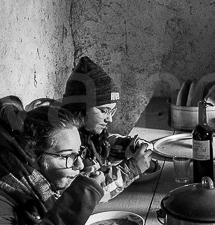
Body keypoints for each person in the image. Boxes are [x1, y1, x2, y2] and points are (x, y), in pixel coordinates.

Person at [61, 56, 154, 201]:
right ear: (81, 108)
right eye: (104, 111)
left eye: (112, 111)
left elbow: (104, 144)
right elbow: (90, 193)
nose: (109, 119)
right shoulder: (66, 146)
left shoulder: (88, 132)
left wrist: (125, 146)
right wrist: (132, 168)